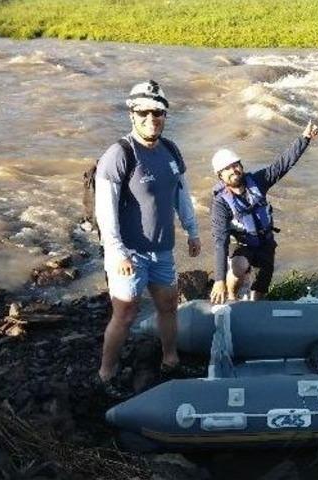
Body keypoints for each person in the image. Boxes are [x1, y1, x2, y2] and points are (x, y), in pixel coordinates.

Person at [93, 80, 201, 396]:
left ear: (165, 116)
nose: (151, 119)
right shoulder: (119, 154)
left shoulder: (171, 150)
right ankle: (106, 374)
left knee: (168, 305)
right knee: (125, 314)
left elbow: (182, 194)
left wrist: (192, 231)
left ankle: (170, 359)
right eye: (144, 113)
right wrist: (117, 251)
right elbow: (105, 210)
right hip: (129, 253)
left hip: (162, 250)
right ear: (132, 114)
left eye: (157, 113)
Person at [209, 121, 318, 304]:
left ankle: (255, 306)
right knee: (239, 266)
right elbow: (220, 241)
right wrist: (219, 280)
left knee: (260, 290)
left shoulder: (258, 181)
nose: (233, 170)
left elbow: (282, 165)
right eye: (226, 169)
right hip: (241, 243)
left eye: (235, 165)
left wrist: (305, 138)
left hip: (265, 242)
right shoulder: (220, 203)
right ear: (220, 176)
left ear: (241, 166)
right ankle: (231, 298)